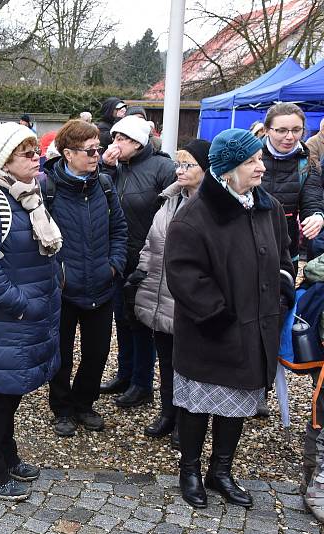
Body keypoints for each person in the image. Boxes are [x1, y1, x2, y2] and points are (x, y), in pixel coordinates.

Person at [165, 128, 293, 509]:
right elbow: (184, 275)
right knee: (198, 405)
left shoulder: (266, 207)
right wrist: (219, 316)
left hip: (254, 329)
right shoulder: (195, 216)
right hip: (211, 332)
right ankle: (189, 471)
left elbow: (285, 255)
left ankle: (220, 470)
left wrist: (282, 291)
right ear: (227, 169)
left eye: (259, 159)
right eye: (251, 161)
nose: (261, 167)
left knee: (237, 402)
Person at [0, 122, 62, 501]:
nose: (36, 158)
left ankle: (7, 457)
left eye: (36, 151)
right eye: (27, 153)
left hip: (27, 316)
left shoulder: (27, 195)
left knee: (11, 392)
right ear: (4, 159)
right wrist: (22, 305)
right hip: (7, 318)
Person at [43, 120, 127, 437]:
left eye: (98, 149)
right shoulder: (47, 189)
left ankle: (84, 403)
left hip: (102, 287)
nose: (96, 155)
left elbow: (119, 231)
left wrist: (114, 266)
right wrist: (58, 275)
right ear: (67, 153)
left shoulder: (104, 186)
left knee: (97, 353)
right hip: (64, 291)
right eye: (89, 150)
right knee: (60, 355)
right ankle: (62, 408)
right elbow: (39, 240)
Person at [133, 139, 210, 448]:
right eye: (179, 164)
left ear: (207, 169)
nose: (180, 170)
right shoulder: (169, 201)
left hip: (189, 298)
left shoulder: (212, 207)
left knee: (190, 364)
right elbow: (153, 244)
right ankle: (168, 413)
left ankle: (187, 420)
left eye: (188, 165)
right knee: (166, 358)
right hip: (161, 293)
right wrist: (140, 273)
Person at [99, 115, 176, 408]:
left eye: (121, 139)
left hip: (148, 258)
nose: (114, 144)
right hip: (120, 256)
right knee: (123, 318)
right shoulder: (116, 169)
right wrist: (106, 166)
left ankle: (142, 384)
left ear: (138, 142)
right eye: (115, 137)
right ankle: (125, 373)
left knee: (143, 321)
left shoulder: (162, 167)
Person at [260, 103, 324, 267]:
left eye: (296, 130)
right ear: (267, 130)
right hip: (250, 241)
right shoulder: (251, 158)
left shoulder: (307, 163)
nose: (290, 137)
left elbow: (312, 198)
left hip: (286, 245)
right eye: (281, 130)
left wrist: (316, 215)